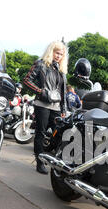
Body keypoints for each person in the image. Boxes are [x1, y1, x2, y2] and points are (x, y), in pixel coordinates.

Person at [23, 41, 68, 174]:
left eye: (61, 54)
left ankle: (55, 161)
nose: (59, 56)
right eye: (57, 52)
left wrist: (64, 109)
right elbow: (26, 80)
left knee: (59, 134)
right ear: (51, 51)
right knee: (40, 133)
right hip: (42, 105)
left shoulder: (61, 70)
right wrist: (41, 92)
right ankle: (39, 161)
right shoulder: (41, 63)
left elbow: (63, 92)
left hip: (56, 107)